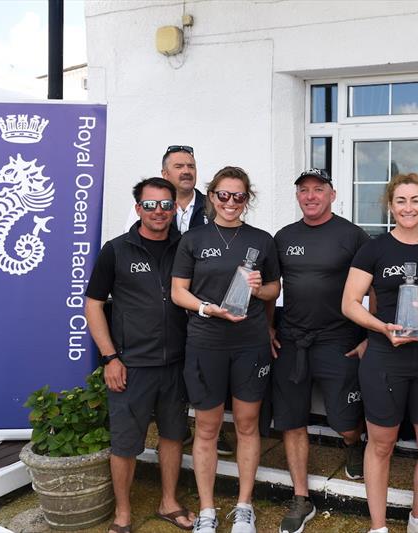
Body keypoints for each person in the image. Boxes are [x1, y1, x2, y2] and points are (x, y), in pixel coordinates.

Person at [342, 173, 418, 533]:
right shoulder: (374, 248)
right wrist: (380, 328)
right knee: (381, 445)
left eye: (415, 200)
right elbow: (350, 303)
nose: (409, 207)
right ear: (390, 205)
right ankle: (378, 526)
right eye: (401, 200)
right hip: (385, 354)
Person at [171, 166, 281, 533]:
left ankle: (244, 506)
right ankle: (206, 510)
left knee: (248, 425)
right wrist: (207, 308)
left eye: (238, 196)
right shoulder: (193, 239)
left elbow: (273, 292)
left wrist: (258, 286)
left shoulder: (262, 240)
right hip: (206, 342)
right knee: (207, 428)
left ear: (247, 199)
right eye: (223, 195)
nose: (230, 202)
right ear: (212, 195)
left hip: (250, 344)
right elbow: (178, 292)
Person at [85, 177, 195, 532]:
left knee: (173, 435)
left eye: (166, 204)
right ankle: (123, 514)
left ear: (174, 208)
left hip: (176, 363)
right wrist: (109, 358)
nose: (159, 211)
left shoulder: (186, 247)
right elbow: (93, 305)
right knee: (125, 443)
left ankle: (168, 502)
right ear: (138, 209)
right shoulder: (116, 250)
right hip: (130, 366)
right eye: (150, 205)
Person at [271, 168, 371, 533]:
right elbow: (269, 286)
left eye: (318, 189)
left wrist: (368, 337)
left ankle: (353, 443)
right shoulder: (283, 237)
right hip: (292, 340)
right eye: (304, 190)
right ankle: (301, 497)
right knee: (292, 420)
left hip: (338, 340)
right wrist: (268, 327)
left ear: (332, 194)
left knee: (344, 419)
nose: (310, 196)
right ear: (297, 196)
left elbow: (373, 290)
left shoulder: (352, 236)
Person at [127, 145, 235, 456]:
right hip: (168, 305)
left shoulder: (213, 205)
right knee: (177, 372)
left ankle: (211, 430)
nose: (186, 171)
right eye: (178, 166)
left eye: (191, 165)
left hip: (208, 308)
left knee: (207, 372)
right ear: (165, 173)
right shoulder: (152, 208)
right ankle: (181, 428)